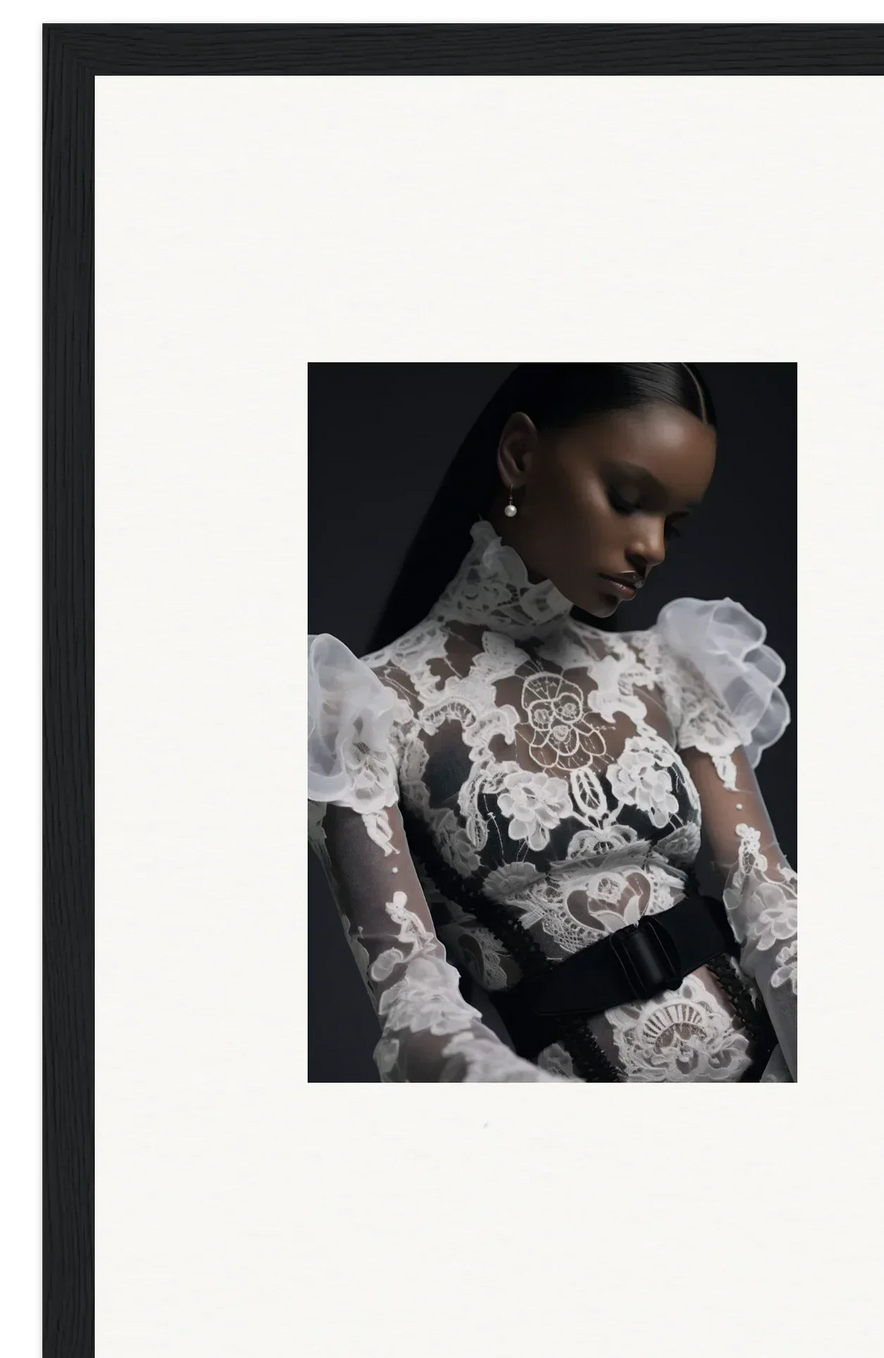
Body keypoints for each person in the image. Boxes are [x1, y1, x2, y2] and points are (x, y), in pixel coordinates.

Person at [307, 364, 797, 1082]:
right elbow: (412, 996)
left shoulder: (672, 666)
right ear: (519, 457)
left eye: (675, 524)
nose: (652, 548)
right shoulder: (365, 702)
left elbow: (768, 899)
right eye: (628, 499)